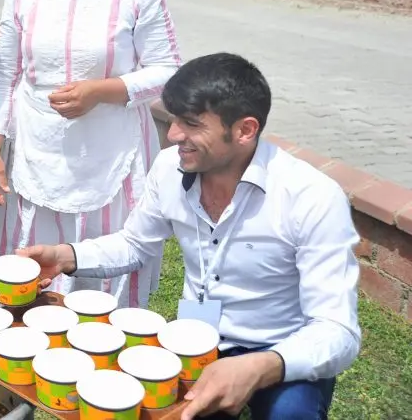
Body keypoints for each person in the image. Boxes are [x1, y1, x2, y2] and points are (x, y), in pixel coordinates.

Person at [20, 53, 361, 420]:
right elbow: (135, 244)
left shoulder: (311, 197)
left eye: (191, 124)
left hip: (281, 351)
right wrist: (65, 256)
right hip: (192, 340)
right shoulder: (170, 168)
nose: (173, 135)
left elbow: (338, 331)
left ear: (245, 130)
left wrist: (263, 365)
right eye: (173, 119)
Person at [0, 0, 181, 308]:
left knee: (102, 298)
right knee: (34, 286)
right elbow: (5, 75)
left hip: (111, 159)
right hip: (35, 160)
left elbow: (168, 72)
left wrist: (100, 92)